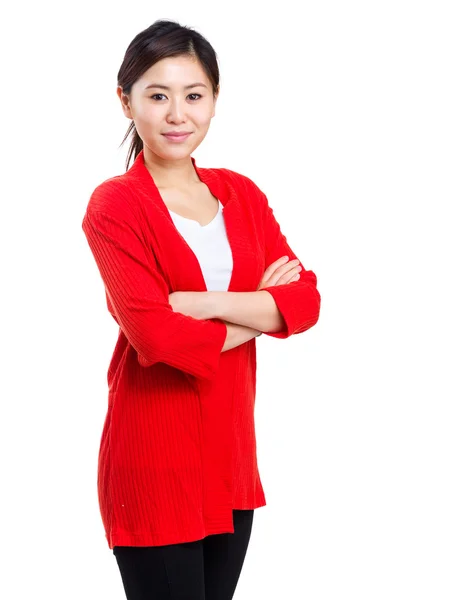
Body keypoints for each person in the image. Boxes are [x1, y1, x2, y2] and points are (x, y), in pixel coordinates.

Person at [81, 18, 321, 600]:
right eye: (157, 95)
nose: (176, 114)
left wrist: (203, 304)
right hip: (154, 461)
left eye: (194, 96)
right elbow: (157, 340)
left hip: (230, 459)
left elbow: (306, 300)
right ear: (126, 101)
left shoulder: (240, 193)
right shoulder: (116, 206)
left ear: (215, 101)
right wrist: (260, 312)